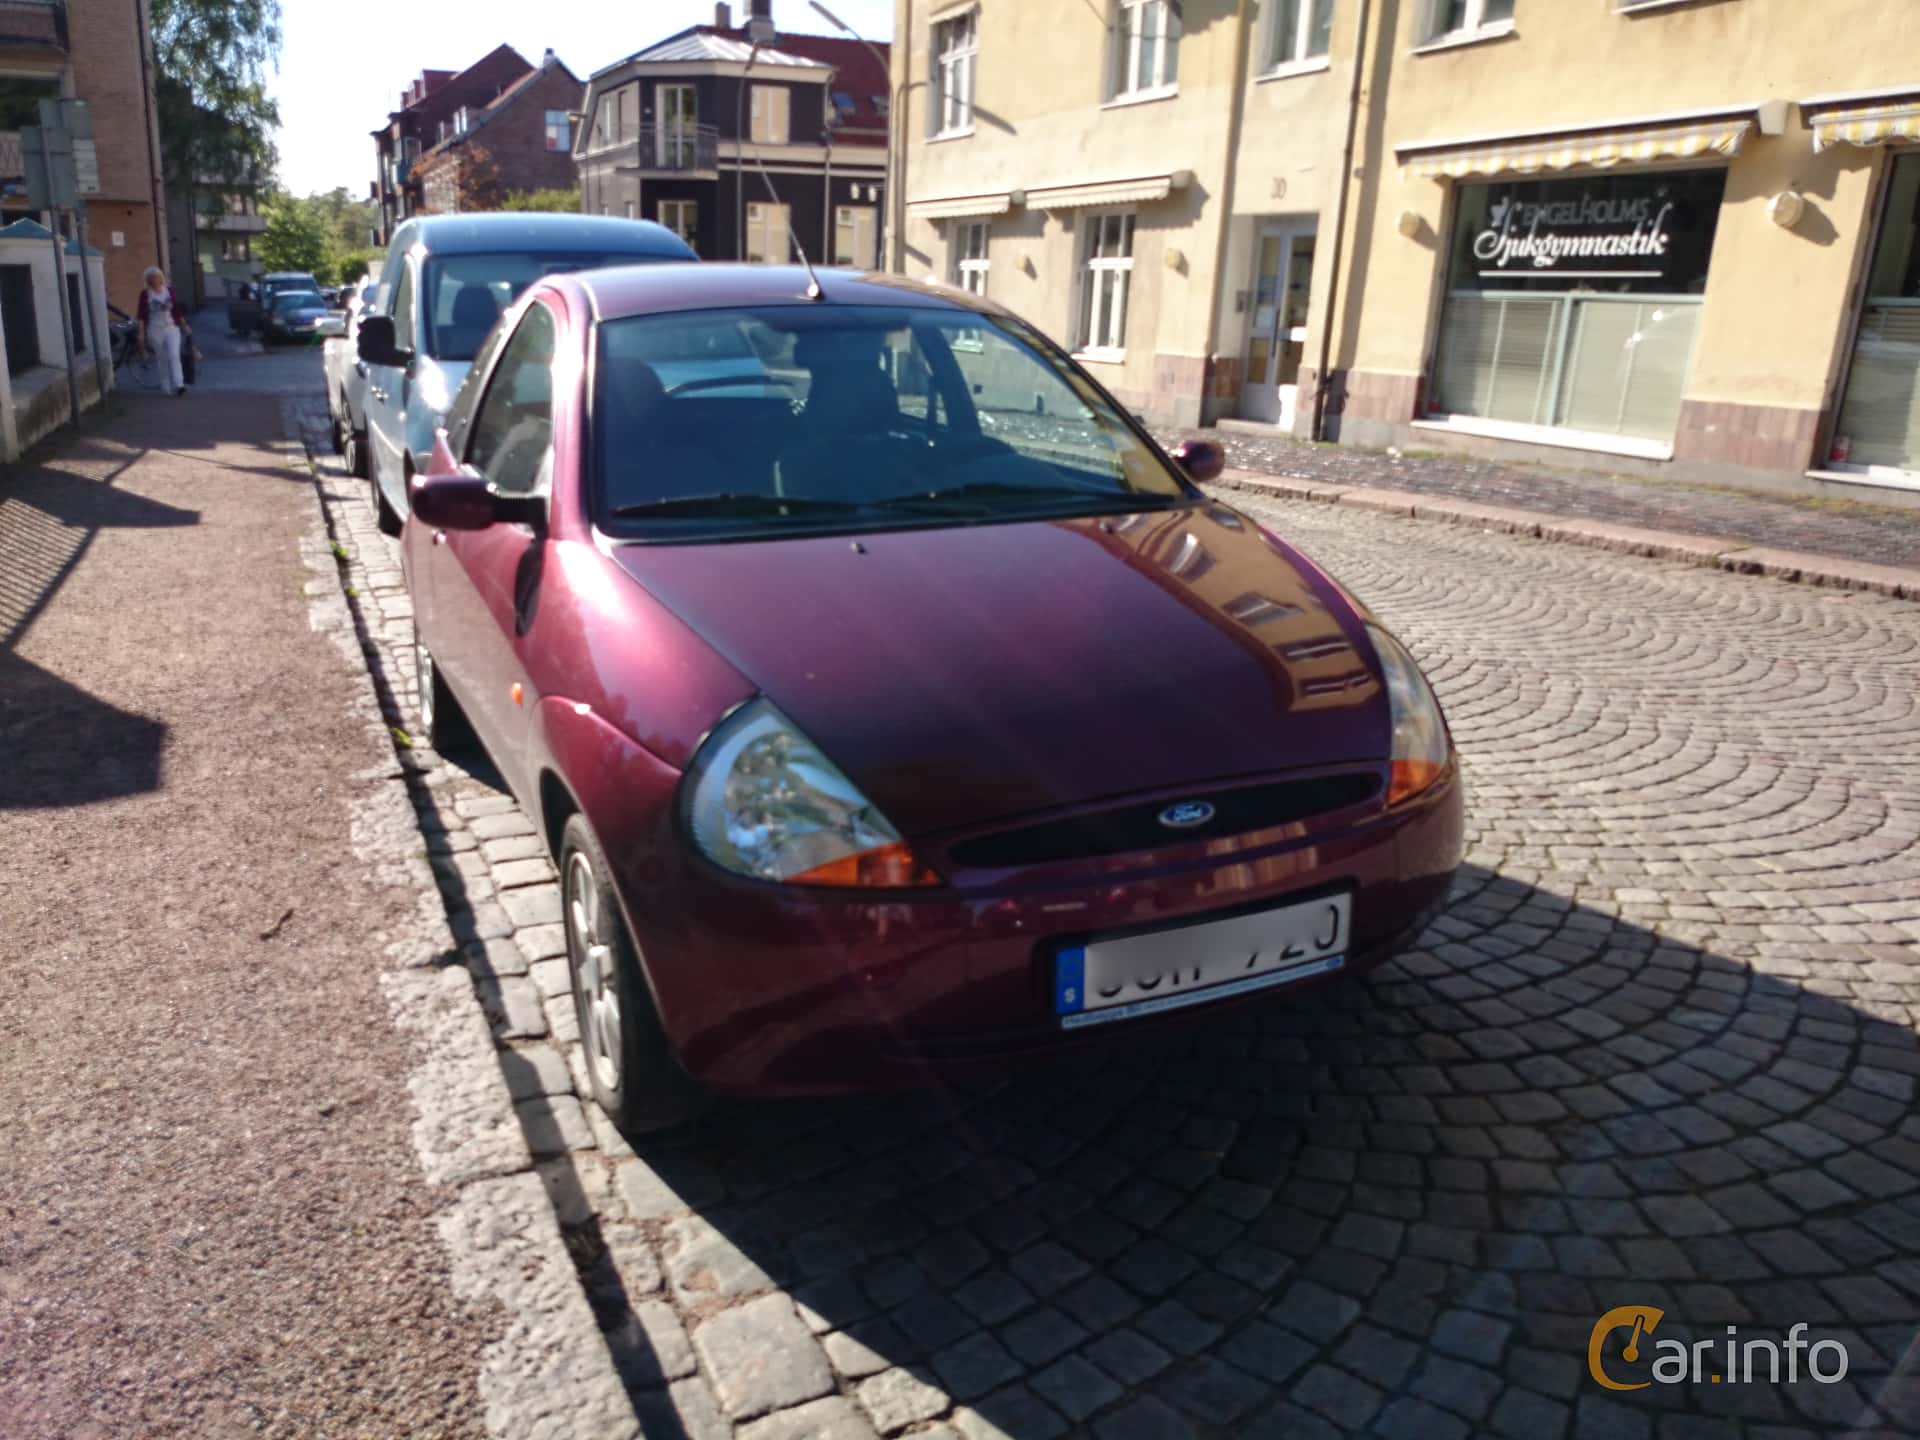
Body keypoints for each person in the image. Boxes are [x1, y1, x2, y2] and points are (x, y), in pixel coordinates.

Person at [136, 265, 191, 396]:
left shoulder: (169, 291)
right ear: (148, 280)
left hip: (171, 328)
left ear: (161, 278)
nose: (155, 280)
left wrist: (184, 325)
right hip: (155, 330)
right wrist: (141, 332)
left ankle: (179, 385)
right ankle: (165, 385)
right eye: (151, 278)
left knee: (174, 355)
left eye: (157, 277)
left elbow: (176, 310)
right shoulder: (145, 294)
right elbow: (141, 315)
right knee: (162, 358)